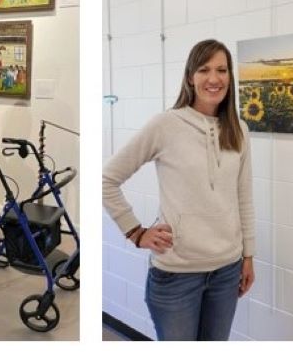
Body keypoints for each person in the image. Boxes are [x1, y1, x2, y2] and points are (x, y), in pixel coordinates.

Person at [102, 39, 255, 341]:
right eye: (204, 69)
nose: (214, 78)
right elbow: (107, 180)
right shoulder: (166, 125)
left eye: (222, 70)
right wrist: (136, 233)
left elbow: (244, 197)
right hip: (177, 275)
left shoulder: (239, 129)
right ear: (190, 77)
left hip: (227, 271)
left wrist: (249, 255)